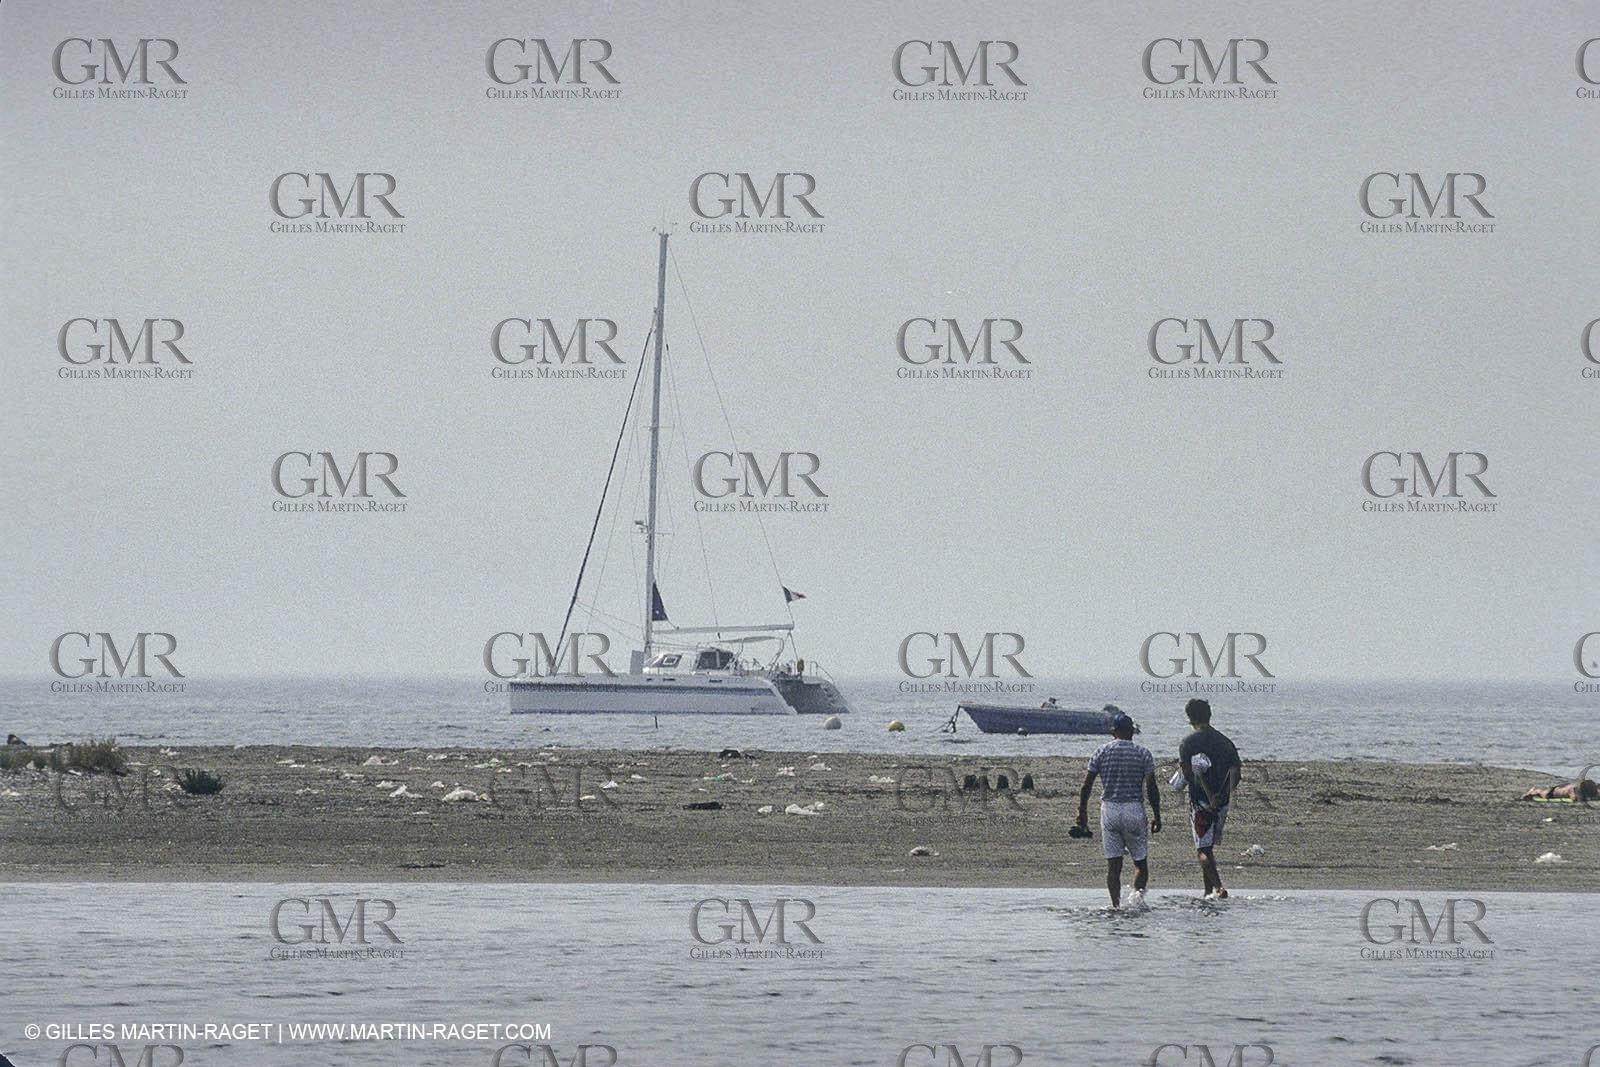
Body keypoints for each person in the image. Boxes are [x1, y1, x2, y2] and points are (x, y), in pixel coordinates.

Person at [1076, 710, 1161, 907]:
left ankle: (1116, 906)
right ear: (1131, 731)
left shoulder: (1101, 751)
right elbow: (1152, 788)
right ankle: (1136, 901)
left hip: (1110, 809)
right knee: (1140, 862)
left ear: (1113, 732)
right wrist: (1157, 814)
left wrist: (1082, 811)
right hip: (1134, 808)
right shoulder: (1143, 753)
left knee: (1113, 865)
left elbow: (1086, 785)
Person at [1178, 698, 1242, 899]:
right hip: (1222, 804)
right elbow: (1236, 774)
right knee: (1209, 848)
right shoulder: (1225, 741)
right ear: (1209, 715)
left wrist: (1207, 797)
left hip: (1200, 804)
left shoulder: (1188, 743)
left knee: (1202, 849)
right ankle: (1207, 893)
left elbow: (1188, 775)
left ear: (1190, 718)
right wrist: (1220, 797)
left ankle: (1218, 888)